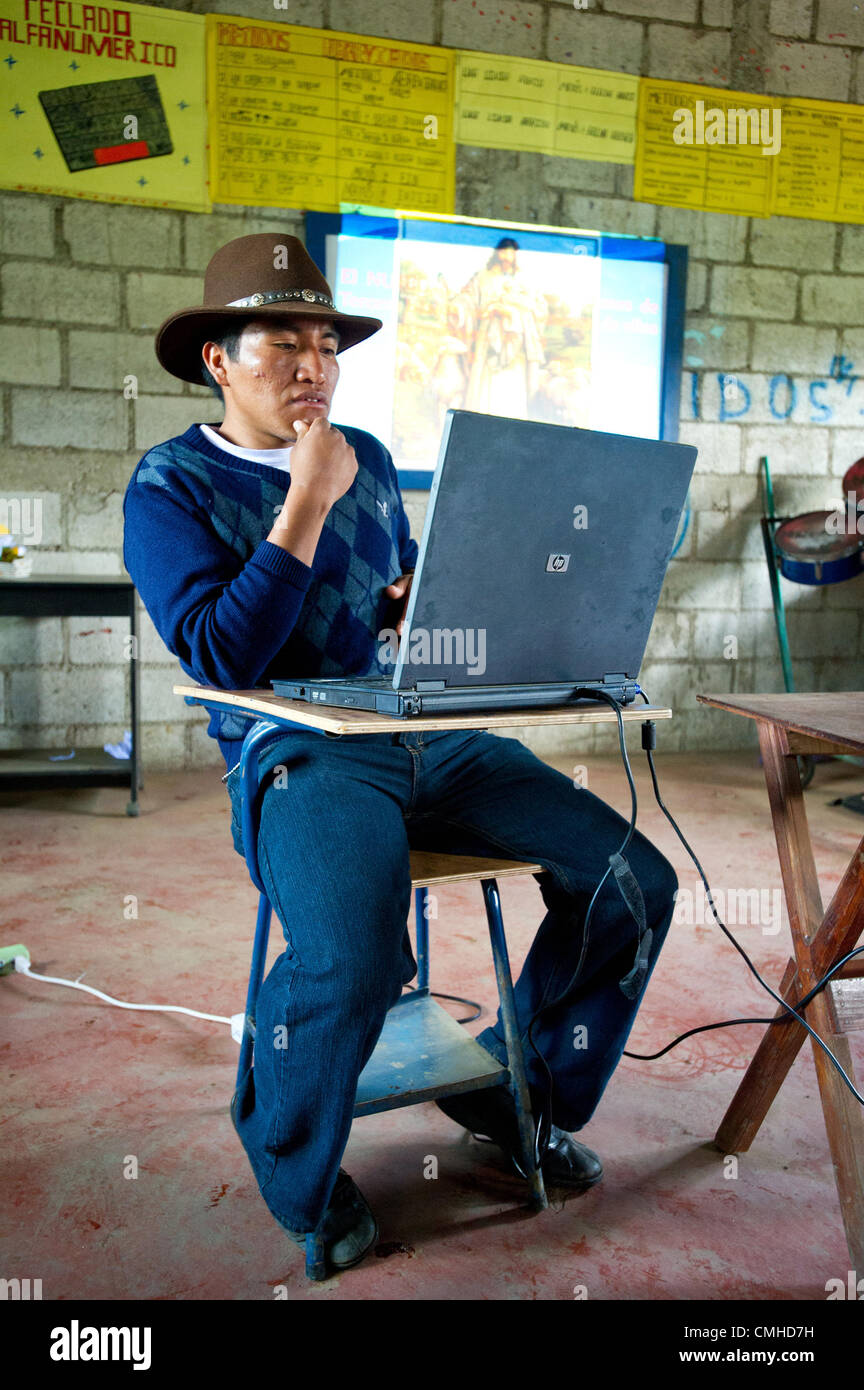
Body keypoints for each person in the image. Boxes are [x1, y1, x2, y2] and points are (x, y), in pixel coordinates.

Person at [123, 233, 678, 1273]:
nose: (311, 365)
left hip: (423, 732)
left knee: (631, 881)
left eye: (326, 345)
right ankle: (295, 1168)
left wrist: (443, 607)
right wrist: (303, 500)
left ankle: (521, 1098)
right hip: (301, 753)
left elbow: (394, 600)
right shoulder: (171, 485)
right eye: (282, 342)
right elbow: (216, 650)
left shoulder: (371, 460)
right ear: (217, 359)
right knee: (362, 953)